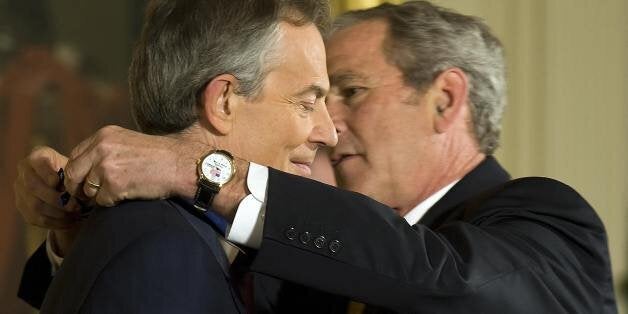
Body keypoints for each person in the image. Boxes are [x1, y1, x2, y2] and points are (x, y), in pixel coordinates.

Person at [15, 1, 617, 313]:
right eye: (311, 100)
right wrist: (76, 230)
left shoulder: (547, 219)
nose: (329, 129)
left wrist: (200, 168)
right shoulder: (310, 255)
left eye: (349, 92)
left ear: (445, 99)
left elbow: (449, 284)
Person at [16, 0, 340, 313]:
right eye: (307, 104)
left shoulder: (197, 240)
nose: (329, 134)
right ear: (224, 101)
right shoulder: (165, 252)